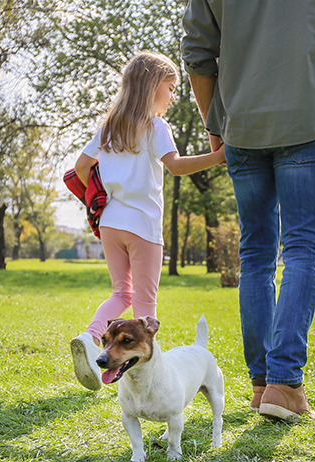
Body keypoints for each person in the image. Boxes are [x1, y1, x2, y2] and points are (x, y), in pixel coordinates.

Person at [181, 0, 315, 422]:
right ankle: (284, 383)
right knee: (303, 249)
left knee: (255, 255)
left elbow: (198, 51)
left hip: (241, 125)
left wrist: (215, 125)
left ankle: (261, 385)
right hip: (306, 119)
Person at [70, 51, 225, 391]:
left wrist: (98, 195)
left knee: (119, 292)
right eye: (170, 88)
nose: (172, 97)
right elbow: (176, 165)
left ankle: (91, 336)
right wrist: (217, 157)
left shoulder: (109, 126)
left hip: (110, 222)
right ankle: (151, 381)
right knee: (144, 307)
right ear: (153, 86)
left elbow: (81, 168)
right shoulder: (155, 125)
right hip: (143, 226)